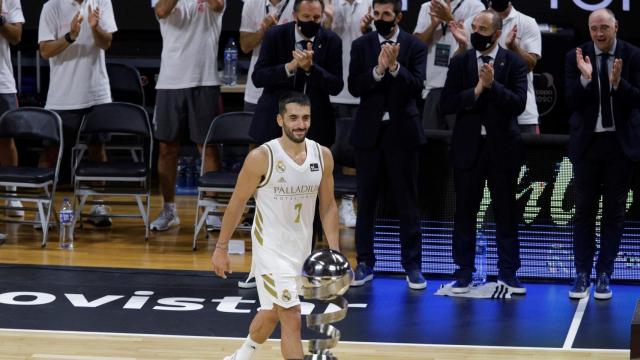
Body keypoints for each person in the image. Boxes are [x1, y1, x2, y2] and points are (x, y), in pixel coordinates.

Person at [212, 93, 340, 360]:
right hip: (270, 250)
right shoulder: (262, 157)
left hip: (301, 251)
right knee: (291, 315)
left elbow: (327, 206)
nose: (300, 124)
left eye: (305, 118)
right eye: (293, 118)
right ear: (280, 119)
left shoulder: (322, 155)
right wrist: (221, 248)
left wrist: (334, 252)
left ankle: (241, 356)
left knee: (272, 311)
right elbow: (237, 204)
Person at [440, 9, 528, 294]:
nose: (477, 33)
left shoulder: (514, 63)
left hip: (502, 149)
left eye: (483, 30)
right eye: (474, 27)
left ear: (497, 33)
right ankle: (464, 272)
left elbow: (518, 104)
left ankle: (508, 273)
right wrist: (477, 90)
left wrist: (493, 86)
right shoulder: (461, 62)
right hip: (468, 148)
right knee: (465, 211)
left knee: (505, 212)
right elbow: (447, 103)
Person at [348, 0, 428, 289]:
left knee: (407, 202)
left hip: (402, 134)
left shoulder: (415, 46)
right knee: (366, 201)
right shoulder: (361, 45)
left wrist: (394, 67)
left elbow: (417, 86)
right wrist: (377, 71)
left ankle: (413, 266)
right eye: (377, 14)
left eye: (387, 14)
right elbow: (354, 86)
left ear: (399, 16)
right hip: (369, 134)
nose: (381, 19)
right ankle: (365, 262)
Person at [565, 9, 640, 300]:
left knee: (614, 213)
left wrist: (618, 84)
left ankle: (605, 273)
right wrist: (585, 80)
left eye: (604, 28)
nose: (599, 34)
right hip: (587, 145)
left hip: (620, 145)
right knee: (584, 211)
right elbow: (569, 101)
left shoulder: (633, 55)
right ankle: (581, 273)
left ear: (616, 26)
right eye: (594, 28)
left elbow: (637, 99)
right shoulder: (577, 55)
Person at [38, 0, 117, 227]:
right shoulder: (51, 6)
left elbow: (106, 42)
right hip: (62, 96)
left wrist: (94, 28)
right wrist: (70, 36)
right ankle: (44, 207)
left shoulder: (102, 2)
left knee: (98, 148)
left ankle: (97, 204)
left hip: (97, 92)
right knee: (52, 152)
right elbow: (45, 50)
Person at [149, 0, 225, 232]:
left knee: (208, 147)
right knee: (166, 147)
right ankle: (169, 209)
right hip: (171, 79)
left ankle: (210, 210)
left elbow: (218, 5)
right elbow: (162, 10)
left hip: (205, 79)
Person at [250, 0, 343, 147]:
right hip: (275, 122)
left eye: (316, 18)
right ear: (295, 15)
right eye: (306, 17)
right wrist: (289, 67)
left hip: (315, 125)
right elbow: (258, 77)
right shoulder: (275, 35)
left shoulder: (332, 41)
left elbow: (336, 86)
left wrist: (311, 69)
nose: (312, 21)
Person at [326, 0, 372, 229]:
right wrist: (326, 21)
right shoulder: (326, 5)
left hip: (358, 91)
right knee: (327, 153)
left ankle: (347, 203)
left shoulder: (371, 5)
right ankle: (325, 204)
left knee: (354, 152)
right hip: (331, 89)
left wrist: (368, 30)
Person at [413, 0, 485, 131]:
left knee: (460, 141)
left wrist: (449, 18)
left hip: (461, 88)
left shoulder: (476, 6)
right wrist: (434, 24)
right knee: (431, 144)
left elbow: (477, 43)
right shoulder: (428, 6)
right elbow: (416, 46)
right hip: (432, 87)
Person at [240, 0, 296, 113]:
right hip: (256, 92)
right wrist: (263, 31)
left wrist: (276, 33)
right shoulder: (252, 3)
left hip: (290, 91)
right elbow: (245, 47)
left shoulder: (298, 4)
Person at [0, 0, 24, 220]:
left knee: (6, 139)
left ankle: (12, 193)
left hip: (2, 83)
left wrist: (0, 19)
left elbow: (16, 36)